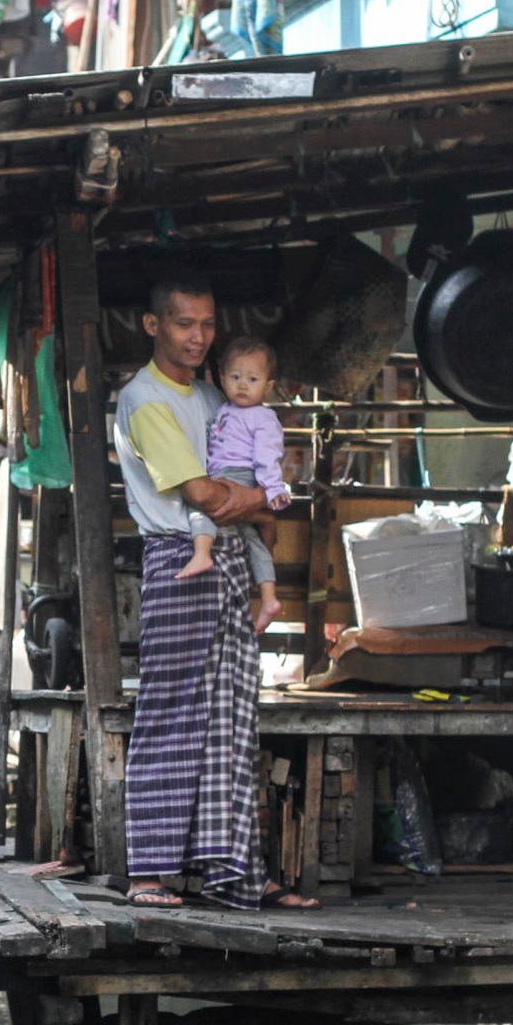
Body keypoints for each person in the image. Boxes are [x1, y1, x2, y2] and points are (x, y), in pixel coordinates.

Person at [111, 276, 318, 911]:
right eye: (183, 324)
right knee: (170, 714)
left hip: (226, 560)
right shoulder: (147, 400)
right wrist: (266, 500)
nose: (198, 336)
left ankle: (235, 873)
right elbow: (205, 496)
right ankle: (149, 872)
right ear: (154, 327)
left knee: (233, 720)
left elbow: (242, 487)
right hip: (182, 558)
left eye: (206, 324)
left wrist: (252, 504)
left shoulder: (213, 395)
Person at [177, 336, 288, 632]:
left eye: (252, 379)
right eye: (235, 377)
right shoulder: (225, 410)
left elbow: (268, 455)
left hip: (237, 476)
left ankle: (201, 554)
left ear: (268, 386)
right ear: (222, 379)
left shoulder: (263, 417)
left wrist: (272, 488)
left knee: (200, 506)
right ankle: (268, 598)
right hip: (224, 472)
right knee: (253, 541)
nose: (242, 385)